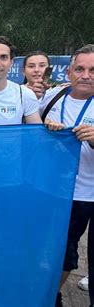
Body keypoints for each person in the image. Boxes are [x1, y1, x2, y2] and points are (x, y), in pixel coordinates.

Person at [42, 44, 94, 307]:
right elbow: (30, 129)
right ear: (70, 71)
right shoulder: (51, 97)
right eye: (80, 69)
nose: (86, 75)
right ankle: (43, 288)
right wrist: (45, 128)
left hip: (85, 195)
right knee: (44, 245)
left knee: (68, 249)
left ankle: (54, 293)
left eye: (92, 70)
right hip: (50, 189)